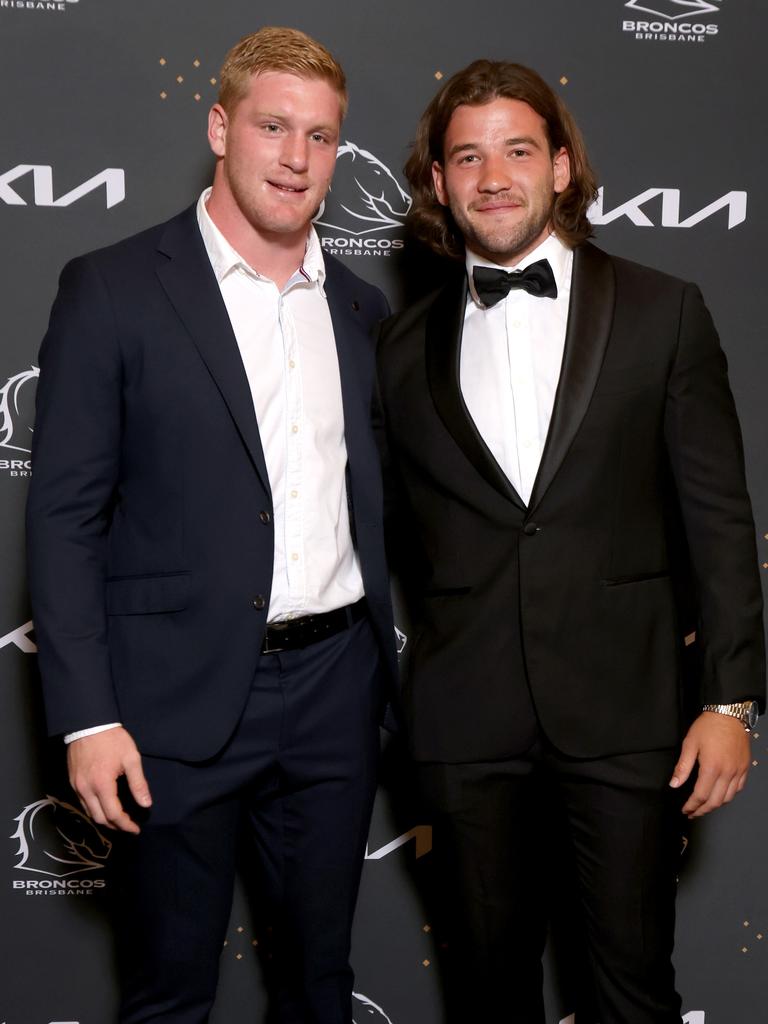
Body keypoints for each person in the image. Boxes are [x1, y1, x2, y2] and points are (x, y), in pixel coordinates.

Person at [374, 59, 765, 1023]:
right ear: (437, 182)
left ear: (560, 164)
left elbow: (720, 516)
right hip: (466, 724)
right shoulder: (396, 347)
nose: (492, 177)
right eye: (467, 157)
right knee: (486, 993)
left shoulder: (664, 310)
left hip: (628, 715)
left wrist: (732, 698)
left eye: (516, 151)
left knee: (631, 990)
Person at [26, 26, 397, 1024]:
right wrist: (88, 716)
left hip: (334, 692)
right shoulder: (111, 288)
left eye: (321, 137)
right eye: (274, 127)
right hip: (170, 704)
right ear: (220, 125)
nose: (296, 158)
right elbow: (63, 516)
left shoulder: (360, 310)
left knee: (319, 986)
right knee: (169, 992)